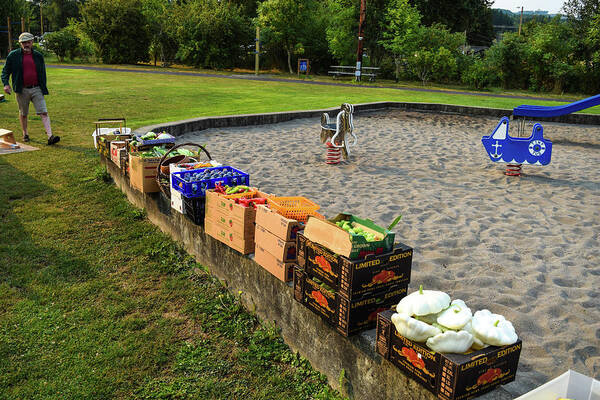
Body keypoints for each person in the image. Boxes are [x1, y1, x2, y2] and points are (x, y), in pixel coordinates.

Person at [1, 32, 60, 145]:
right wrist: (6, 84)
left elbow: (42, 73)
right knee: (23, 113)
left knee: (44, 112)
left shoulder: (38, 56)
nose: (26, 44)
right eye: (24, 42)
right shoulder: (13, 55)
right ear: (20, 43)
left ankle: (50, 136)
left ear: (32, 42)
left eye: (28, 42)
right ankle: (25, 133)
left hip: (37, 88)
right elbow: (5, 72)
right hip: (21, 89)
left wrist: (43, 87)